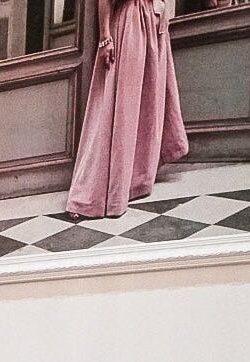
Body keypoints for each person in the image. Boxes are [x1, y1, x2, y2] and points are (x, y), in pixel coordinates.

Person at [64, 0, 189, 220]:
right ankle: (91, 194)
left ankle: (135, 181)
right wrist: (105, 38)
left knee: (148, 103)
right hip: (130, 22)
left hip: (154, 23)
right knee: (121, 106)